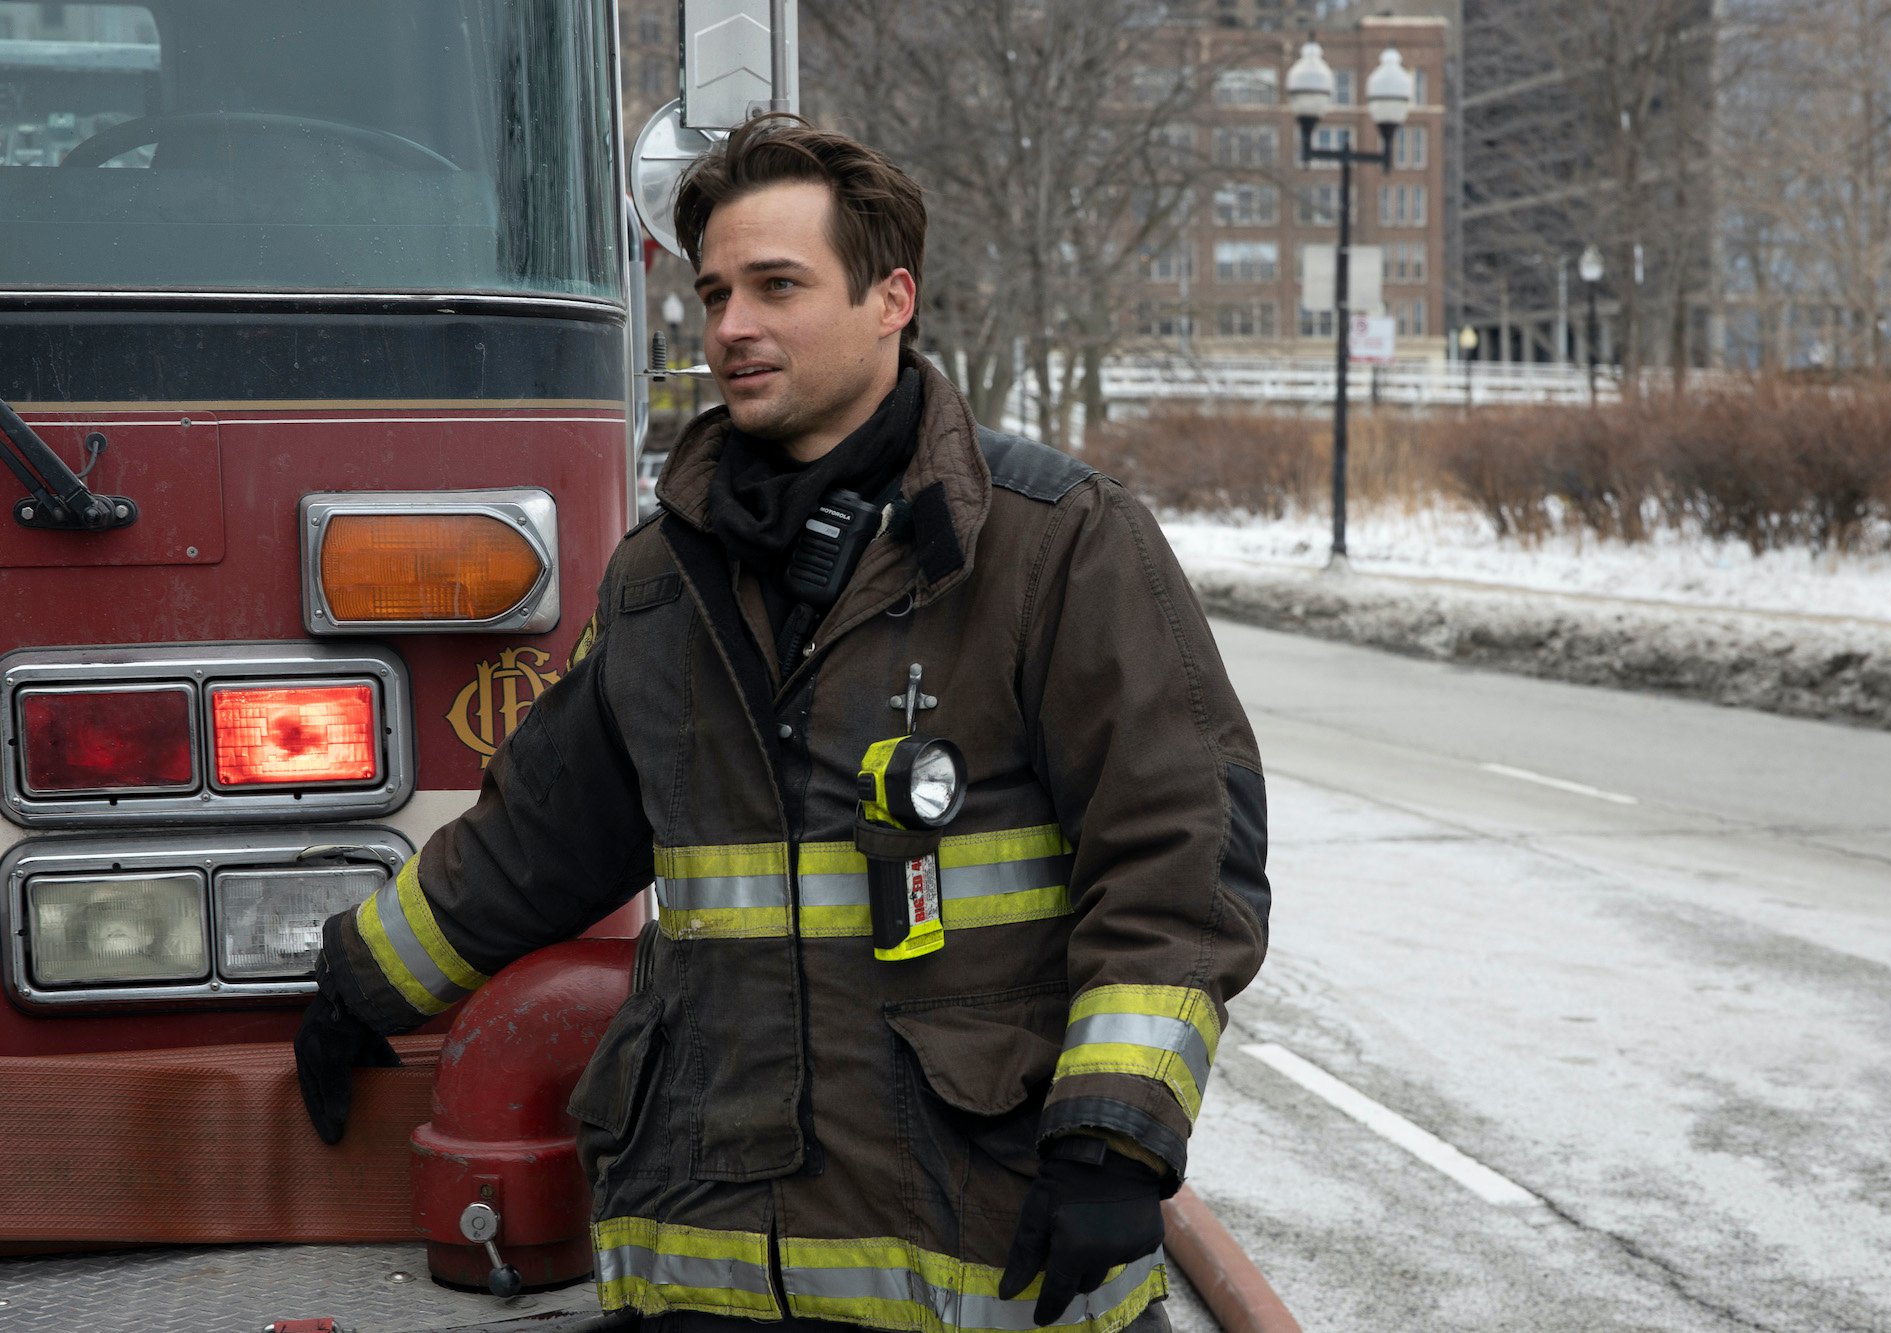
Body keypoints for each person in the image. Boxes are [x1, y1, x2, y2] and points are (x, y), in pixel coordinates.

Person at [294, 114, 1269, 1333]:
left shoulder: (1053, 545)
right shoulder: (660, 579)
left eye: (776, 286)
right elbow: (541, 835)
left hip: (976, 1252)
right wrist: (358, 980)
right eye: (712, 293)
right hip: (707, 1256)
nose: (730, 328)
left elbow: (1180, 853)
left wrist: (1117, 1136)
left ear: (889, 299)